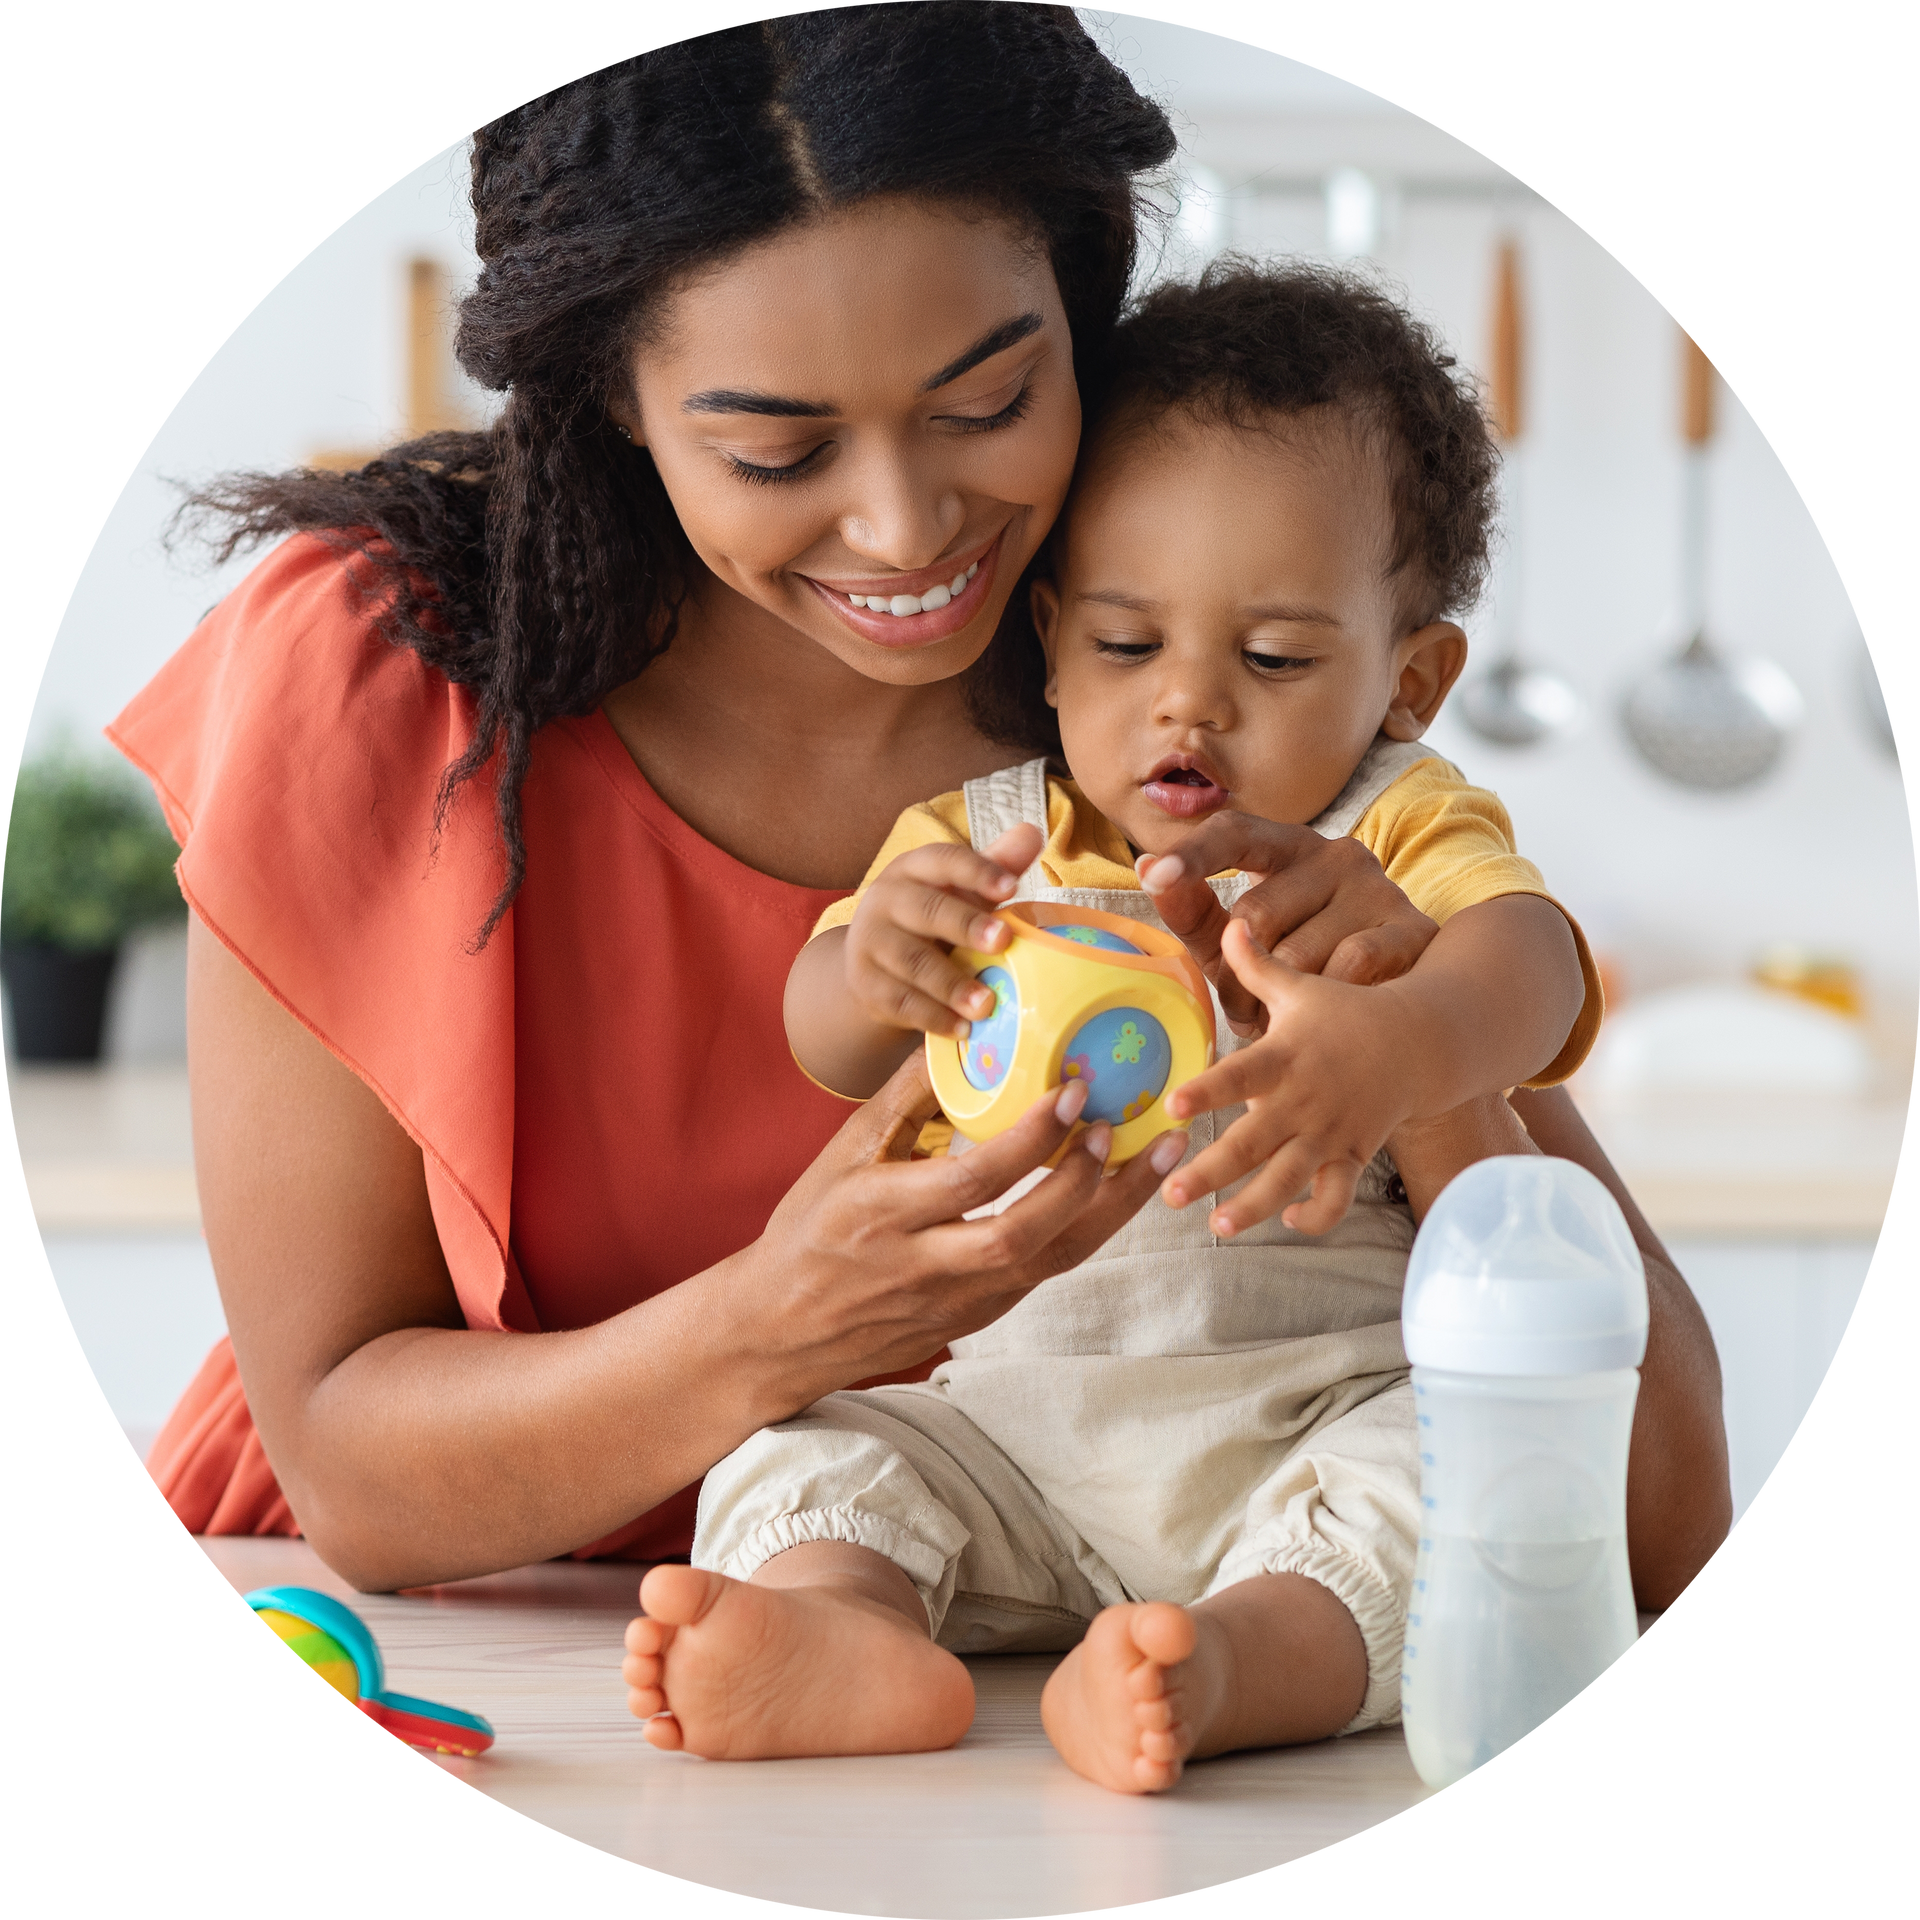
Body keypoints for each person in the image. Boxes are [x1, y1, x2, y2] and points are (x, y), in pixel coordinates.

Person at [111, 9, 1472, 1591]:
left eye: (986, 406)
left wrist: (1415, 1031)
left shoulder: (1163, 672)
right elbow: (352, 1472)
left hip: (1002, 1644)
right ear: (615, 394)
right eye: (776, 450)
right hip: (462, 1627)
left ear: (1078, 302)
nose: (904, 532)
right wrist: (780, 1323)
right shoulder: (380, 672)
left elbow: (1652, 1466)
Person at [622, 264, 1725, 1792]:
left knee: (1451, 1492)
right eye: (1130, 648)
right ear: (1056, 641)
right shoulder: (988, 834)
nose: (1187, 707)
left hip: (1315, 1428)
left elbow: (1533, 968)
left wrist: (1407, 1038)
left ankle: (1226, 1667)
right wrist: (873, 962)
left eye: (1272, 661)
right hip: (1012, 1434)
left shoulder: (1390, 832)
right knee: (807, 1448)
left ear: (1409, 679)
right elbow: (831, 1043)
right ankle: (843, 1628)